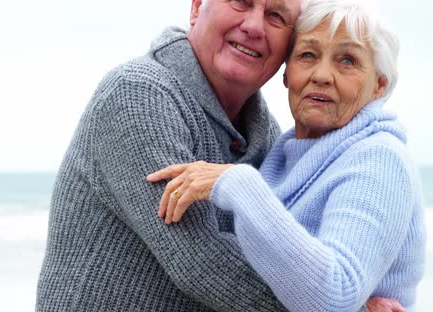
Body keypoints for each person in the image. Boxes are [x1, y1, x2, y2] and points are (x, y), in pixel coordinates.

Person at [148, 0, 426, 311]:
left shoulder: (379, 158)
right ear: (286, 73)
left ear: (379, 86)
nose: (322, 75)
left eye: (347, 61)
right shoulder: (281, 154)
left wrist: (236, 182)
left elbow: (333, 297)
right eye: (308, 55)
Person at [36, 0, 303, 310]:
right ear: (196, 7)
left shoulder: (266, 135)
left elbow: (295, 250)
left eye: (276, 16)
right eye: (241, 2)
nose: (254, 27)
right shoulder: (137, 94)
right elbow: (202, 263)